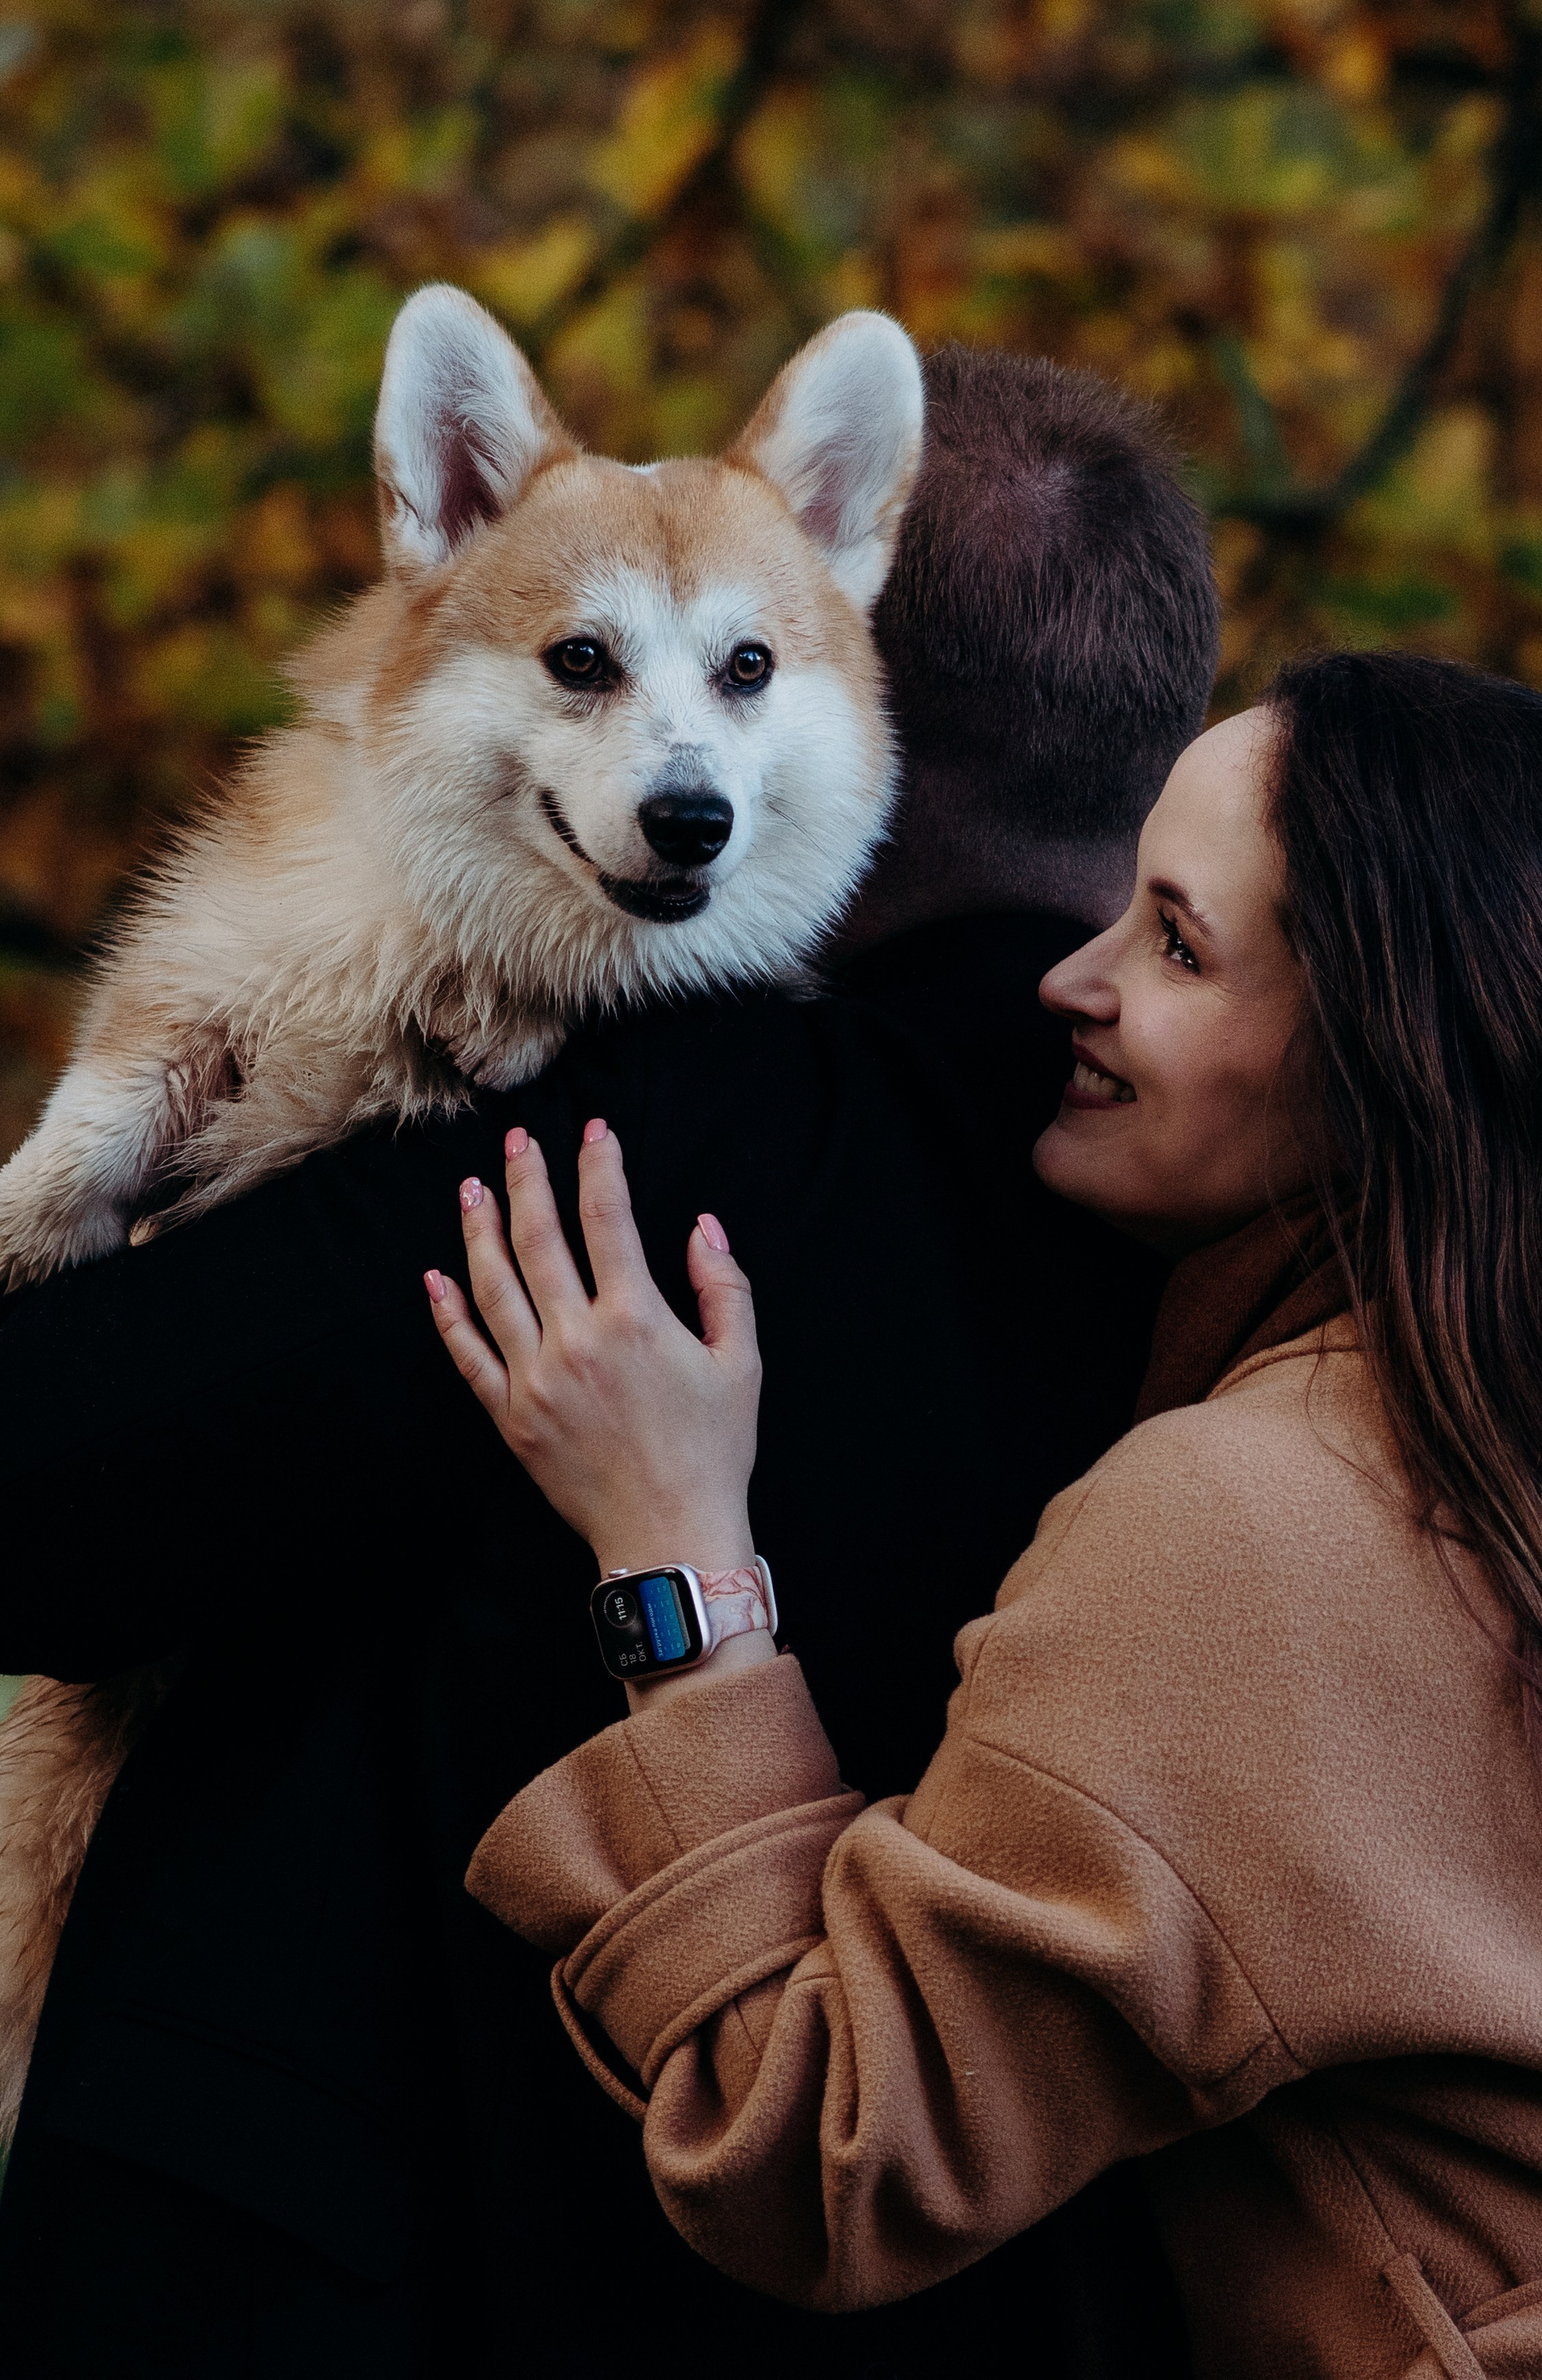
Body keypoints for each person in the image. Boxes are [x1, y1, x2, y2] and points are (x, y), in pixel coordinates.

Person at [0, 344, 1220, 2379]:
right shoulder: (1277, 1252)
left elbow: (43, 1486)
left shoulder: (648, 1145)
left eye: (739, 664)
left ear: (851, 663)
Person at [447, 653, 1542, 2375]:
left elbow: (824, 2147)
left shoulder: (1253, 1521)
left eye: (1175, 945)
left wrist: (676, 1556)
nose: (1072, 976)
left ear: (1394, 1062)